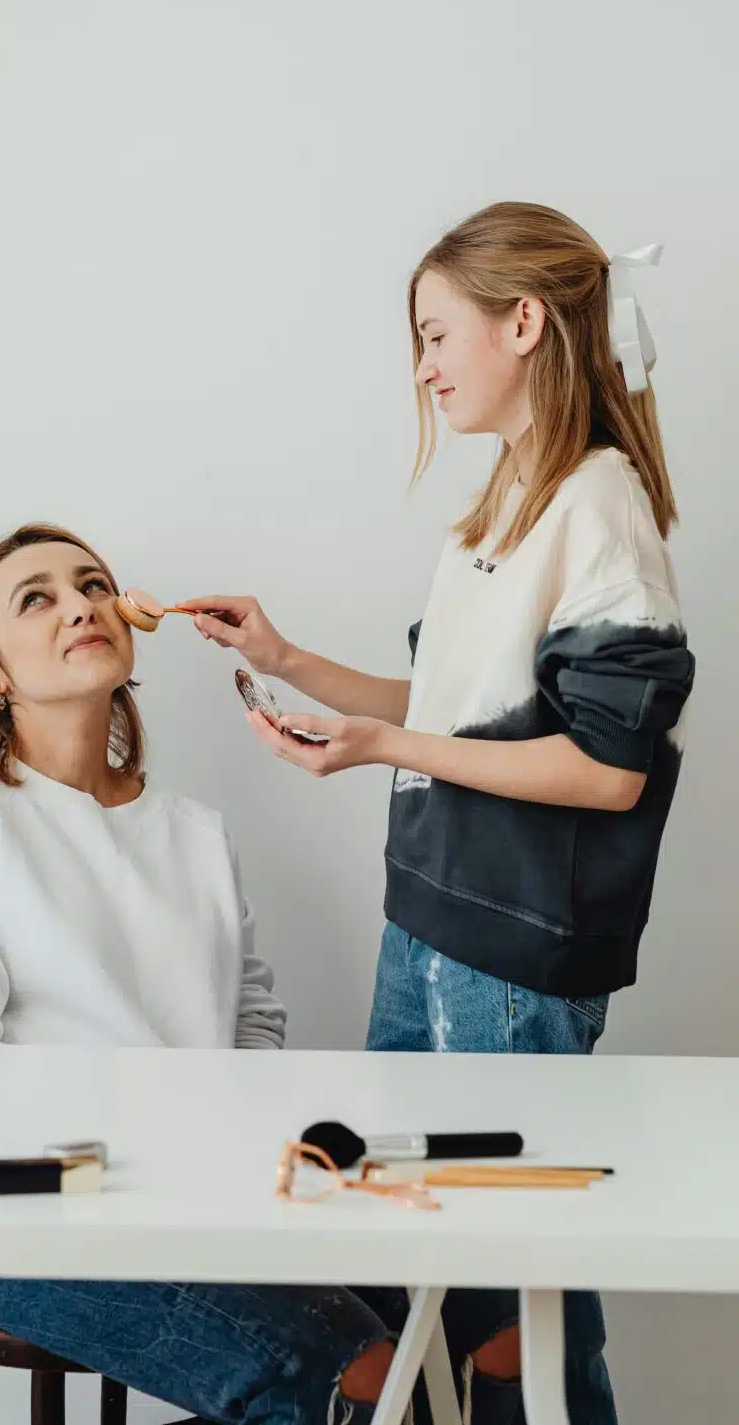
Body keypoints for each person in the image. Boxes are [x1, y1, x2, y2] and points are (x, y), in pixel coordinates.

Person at [181, 202, 696, 1424]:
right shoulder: (511, 498)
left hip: (510, 954)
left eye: (433, 334)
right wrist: (293, 659)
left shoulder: (595, 503)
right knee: (424, 1263)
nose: (419, 367)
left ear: (523, 323)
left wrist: (380, 748)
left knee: (515, 1292)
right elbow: (467, 711)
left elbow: (603, 769)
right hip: (431, 925)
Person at [0, 521, 521, 1425]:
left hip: (198, 1186)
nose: (80, 604)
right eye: (36, 598)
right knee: (361, 1374)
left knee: (477, 1326)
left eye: (92, 585)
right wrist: (120, 1170)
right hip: (11, 1204)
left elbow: (250, 1024)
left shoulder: (194, 832)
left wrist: (234, 1172)